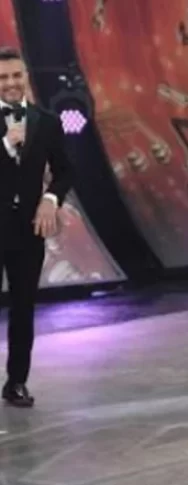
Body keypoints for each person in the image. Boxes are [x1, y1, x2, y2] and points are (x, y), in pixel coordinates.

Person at [0, 47, 73, 407]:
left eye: (17, 75)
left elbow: (65, 171)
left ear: (26, 77)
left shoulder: (47, 121)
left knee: (23, 306)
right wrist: (5, 143)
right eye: (3, 77)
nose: (11, 83)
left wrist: (50, 199)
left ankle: (16, 382)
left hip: (27, 230)